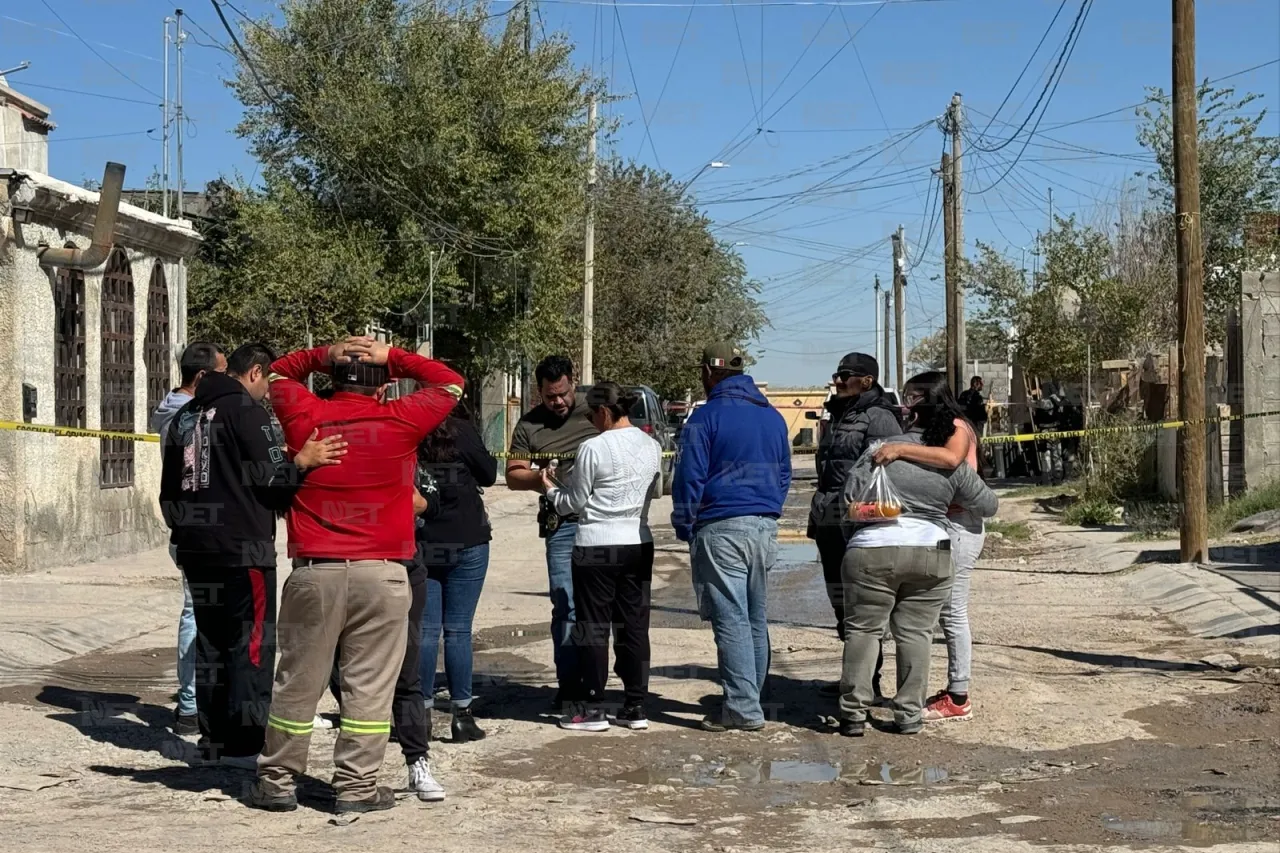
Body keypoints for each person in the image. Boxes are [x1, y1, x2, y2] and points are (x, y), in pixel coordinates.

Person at [249, 337, 464, 815]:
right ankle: (356, 788)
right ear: (385, 388)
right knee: (370, 688)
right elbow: (450, 382)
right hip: (385, 576)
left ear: (328, 380)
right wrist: (392, 357)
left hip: (315, 574)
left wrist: (327, 352)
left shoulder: (306, 417)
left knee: (296, 684)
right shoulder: (401, 420)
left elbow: (280, 372)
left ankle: (277, 781)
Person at [159, 343, 346, 768]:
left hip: (195, 550)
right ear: (256, 373)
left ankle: (212, 740)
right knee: (252, 646)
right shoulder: (247, 412)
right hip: (243, 552)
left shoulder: (185, 416)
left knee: (210, 644)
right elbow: (273, 484)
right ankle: (245, 743)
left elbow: (168, 493)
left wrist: (187, 533)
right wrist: (302, 462)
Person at [837, 381, 999, 738]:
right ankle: (908, 715)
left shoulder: (879, 451)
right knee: (916, 633)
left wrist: (857, 540)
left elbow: (848, 499)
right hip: (932, 552)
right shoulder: (948, 465)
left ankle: (853, 714)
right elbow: (989, 504)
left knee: (864, 631)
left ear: (908, 418)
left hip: (870, 551)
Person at [672, 344, 791, 732]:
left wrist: (684, 524)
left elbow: (689, 477)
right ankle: (749, 699)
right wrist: (768, 508)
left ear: (708, 371)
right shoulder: (772, 418)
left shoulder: (705, 418)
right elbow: (785, 474)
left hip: (721, 527)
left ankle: (741, 708)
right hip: (764, 527)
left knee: (732, 620)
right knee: (755, 617)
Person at [537, 382, 662, 732]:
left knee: (593, 625)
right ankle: (636, 705)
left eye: (592, 414)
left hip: (597, 544)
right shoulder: (652, 445)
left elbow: (574, 502)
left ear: (604, 412)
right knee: (634, 624)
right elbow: (655, 488)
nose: (591, 421)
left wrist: (550, 489)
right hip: (638, 539)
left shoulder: (594, 447)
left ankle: (592, 708)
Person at [873, 371, 987, 723]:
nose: (908, 405)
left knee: (952, 612)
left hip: (961, 525)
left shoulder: (957, 427)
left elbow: (951, 460)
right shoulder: (934, 428)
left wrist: (899, 449)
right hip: (941, 523)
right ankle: (949, 689)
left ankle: (959, 696)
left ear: (932, 397)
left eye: (914, 397)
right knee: (939, 612)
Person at [504, 355, 600, 711]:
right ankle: (570, 686)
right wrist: (540, 479)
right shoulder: (529, 425)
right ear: (538, 392)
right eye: (549, 396)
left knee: (603, 607)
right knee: (566, 606)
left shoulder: (595, 411)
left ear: (572, 382)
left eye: (561, 394)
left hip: (601, 524)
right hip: (560, 526)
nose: (557, 402)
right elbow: (513, 474)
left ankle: (602, 687)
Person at [806, 353, 901, 699]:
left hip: (859, 522)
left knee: (864, 606)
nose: (838, 382)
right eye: (836, 375)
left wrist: (865, 516)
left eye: (845, 377)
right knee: (841, 602)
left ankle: (868, 683)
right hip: (829, 518)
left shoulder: (880, 418)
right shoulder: (840, 413)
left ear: (867, 381)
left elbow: (886, 474)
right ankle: (854, 678)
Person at [150, 341, 225, 737]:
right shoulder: (187, 416)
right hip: (195, 524)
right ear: (202, 377)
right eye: (221, 373)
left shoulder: (171, 410)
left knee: (196, 610)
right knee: (196, 610)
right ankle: (191, 703)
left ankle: (194, 700)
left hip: (188, 522)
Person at [416, 402, 498, 744]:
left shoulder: (411, 434)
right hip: (467, 539)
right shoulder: (463, 432)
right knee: (458, 630)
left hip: (425, 540)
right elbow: (490, 475)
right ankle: (461, 716)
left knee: (426, 631)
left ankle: (418, 715)